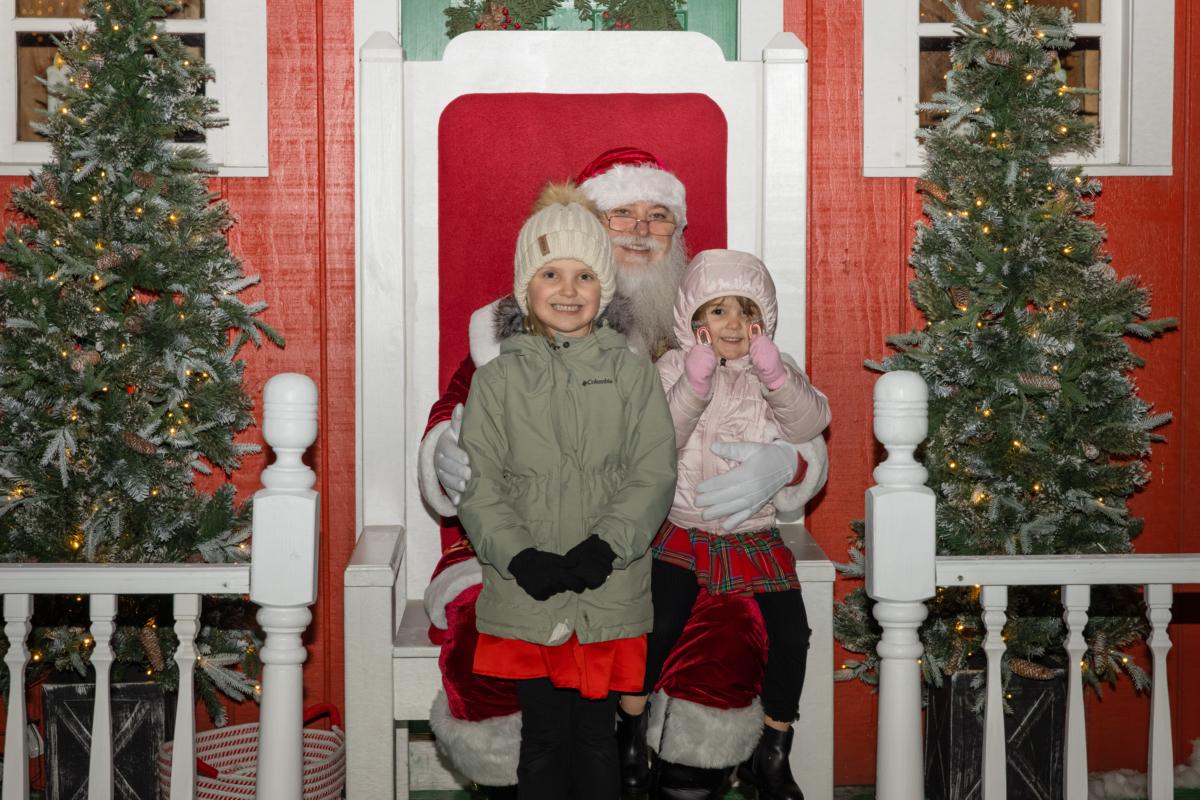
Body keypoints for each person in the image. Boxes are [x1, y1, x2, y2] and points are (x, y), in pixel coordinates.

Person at [419, 147, 829, 799]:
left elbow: (785, 408)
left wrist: (791, 462)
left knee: (726, 635)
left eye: (658, 215)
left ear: (679, 234)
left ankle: (679, 778)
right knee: (488, 650)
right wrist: (444, 444)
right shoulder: (512, 334)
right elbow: (461, 407)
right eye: (622, 214)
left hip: (674, 542)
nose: (641, 229)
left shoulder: (708, 321)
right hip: (527, 544)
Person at [456, 183, 677, 799]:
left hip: (608, 586)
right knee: (544, 739)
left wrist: (607, 546)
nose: (568, 290)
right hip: (527, 589)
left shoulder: (632, 374)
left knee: (596, 738)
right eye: (550, 274)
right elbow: (480, 484)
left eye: (584, 276)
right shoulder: (496, 381)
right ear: (525, 288)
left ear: (603, 290)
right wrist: (519, 555)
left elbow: (652, 472)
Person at [639, 250, 830, 800]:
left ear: (761, 323)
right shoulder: (673, 367)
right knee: (660, 626)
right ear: (694, 320)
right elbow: (657, 439)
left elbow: (811, 422)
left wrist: (776, 376)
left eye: (746, 313)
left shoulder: (775, 370)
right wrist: (693, 386)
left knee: (791, 634)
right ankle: (629, 729)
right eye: (718, 311)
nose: (732, 325)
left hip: (752, 533)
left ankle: (773, 749)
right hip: (683, 529)